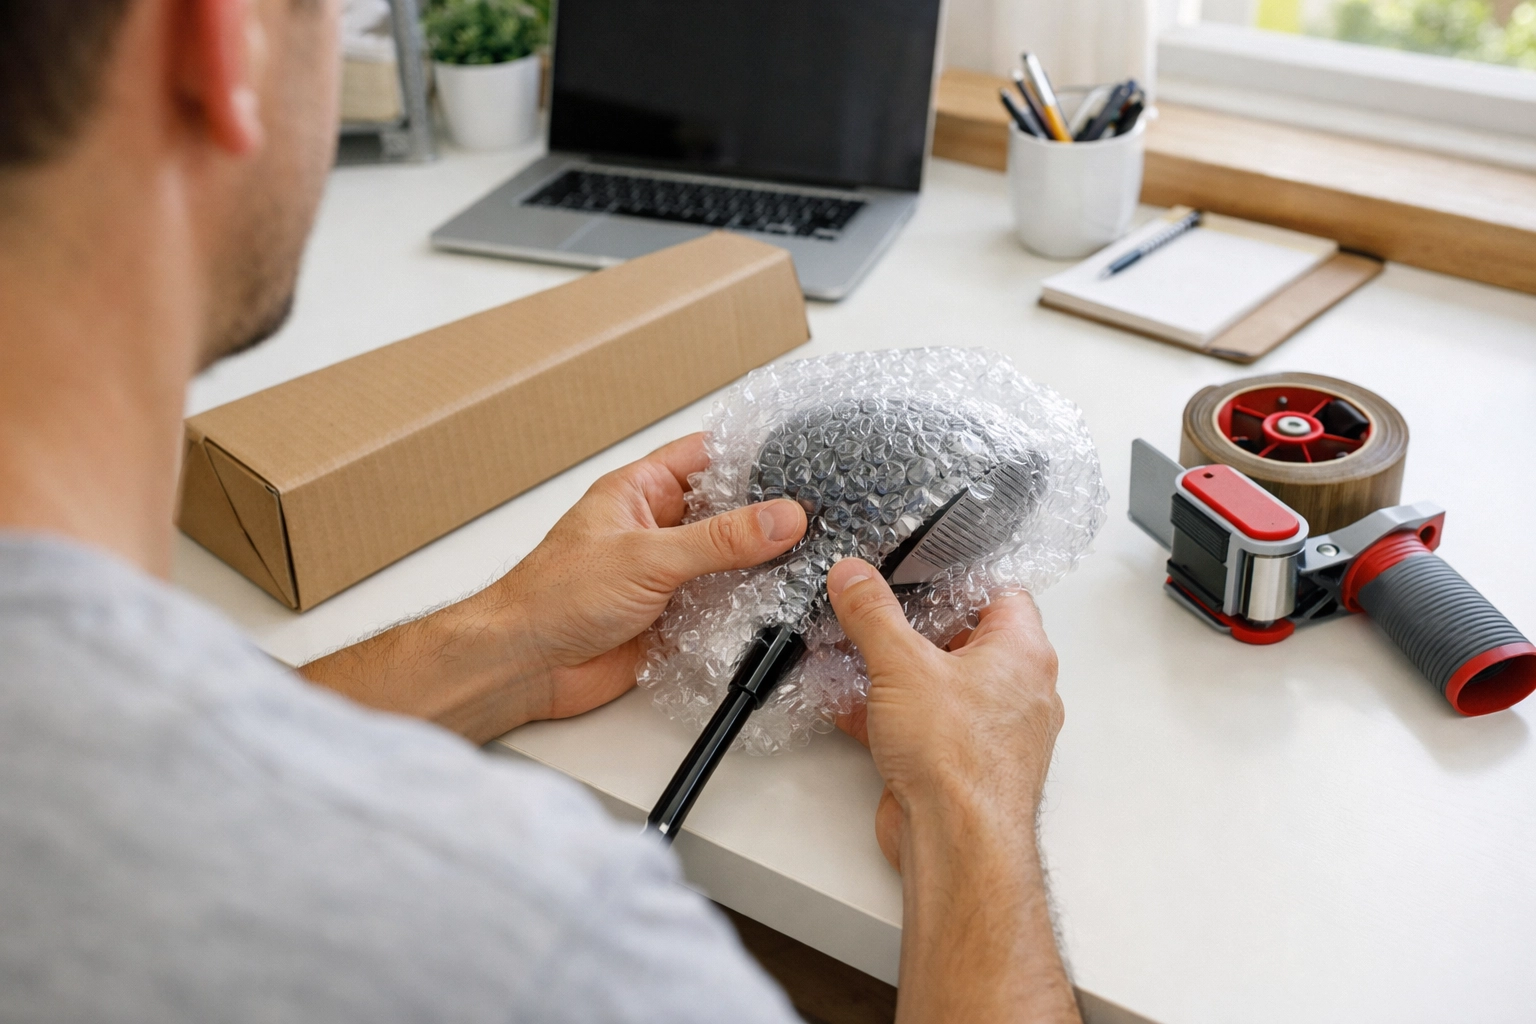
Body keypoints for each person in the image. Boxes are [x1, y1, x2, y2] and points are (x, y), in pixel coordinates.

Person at [0, 1, 1081, 1021]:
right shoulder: (544, 949)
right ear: (220, 42)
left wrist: (503, 643)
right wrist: (972, 808)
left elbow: (183, 797)